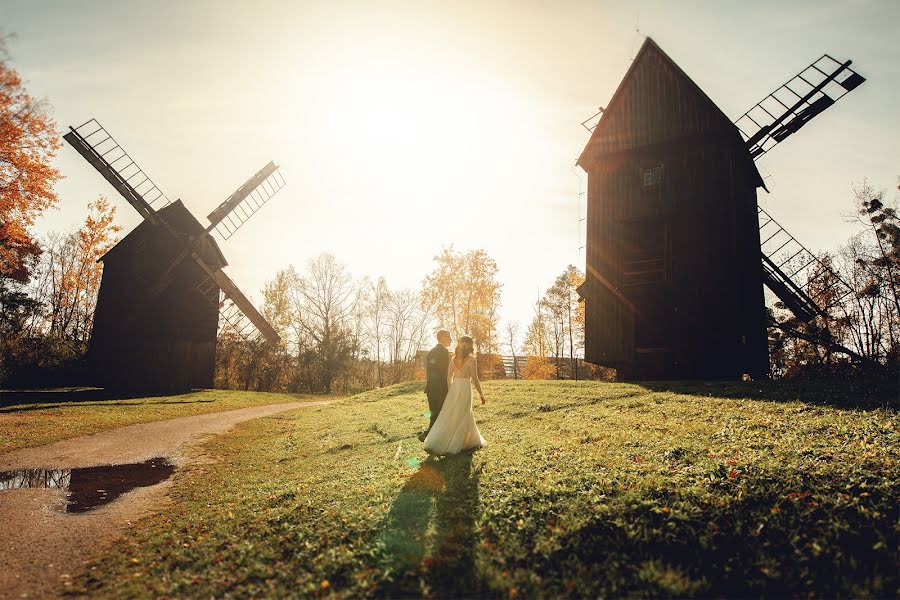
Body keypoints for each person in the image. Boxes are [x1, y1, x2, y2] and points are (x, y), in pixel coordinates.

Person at [423, 335, 487, 455]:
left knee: (452, 414)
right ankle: (457, 444)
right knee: (464, 413)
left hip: (454, 388)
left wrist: (451, 390)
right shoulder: (472, 360)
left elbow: (448, 378)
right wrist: (481, 394)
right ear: (469, 346)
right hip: (465, 387)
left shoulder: (452, 360)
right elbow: (475, 378)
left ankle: (446, 440)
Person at [419, 329, 451, 442]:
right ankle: (429, 436)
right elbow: (445, 372)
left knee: (434, 413)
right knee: (440, 413)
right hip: (440, 389)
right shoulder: (444, 352)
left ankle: (429, 435)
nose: (451, 339)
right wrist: (448, 388)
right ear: (442, 337)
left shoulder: (431, 351)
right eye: (448, 337)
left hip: (431, 388)